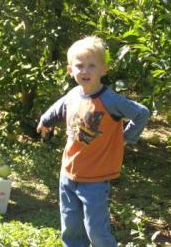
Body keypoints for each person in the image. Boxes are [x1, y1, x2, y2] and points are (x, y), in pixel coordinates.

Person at [37, 36, 149, 247]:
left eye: (92, 66)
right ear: (70, 70)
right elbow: (57, 108)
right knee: (71, 228)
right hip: (68, 173)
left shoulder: (110, 100)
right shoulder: (73, 95)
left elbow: (141, 113)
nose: (85, 71)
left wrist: (125, 138)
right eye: (80, 66)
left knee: (96, 231)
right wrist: (45, 121)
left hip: (96, 178)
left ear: (103, 69)